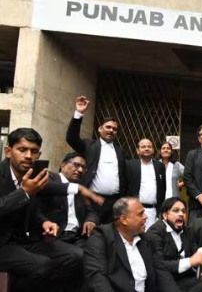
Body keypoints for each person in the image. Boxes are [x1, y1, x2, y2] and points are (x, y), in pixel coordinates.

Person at [0, 128, 84, 292]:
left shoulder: (32, 175)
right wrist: (23, 193)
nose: (29, 156)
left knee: (75, 256)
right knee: (41, 265)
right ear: (8, 151)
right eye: (22, 150)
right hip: (1, 243)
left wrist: (44, 222)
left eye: (34, 151)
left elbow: (30, 211)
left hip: (22, 241)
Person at [84, 197, 181, 292]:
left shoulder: (147, 239)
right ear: (124, 220)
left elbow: (162, 273)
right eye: (140, 214)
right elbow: (96, 276)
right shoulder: (101, 237)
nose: (145, 217)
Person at [66, 95, 127, 224]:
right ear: (100, 129)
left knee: (111, 236)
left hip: (114, 203)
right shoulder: (89, 146)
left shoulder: (120, 151)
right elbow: (71, 138)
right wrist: (79, 113)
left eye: (114, 129)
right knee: (91, 233)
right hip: (92, 201)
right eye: (108, 127)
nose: (111, 130)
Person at [147, 197, 202, 292]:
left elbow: (199, 258)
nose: (181, 214)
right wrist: (189, 262)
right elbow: (159, 265)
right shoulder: (156, 232)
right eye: (176, 211)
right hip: (164, 282)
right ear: (165, 215)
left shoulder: (187, 231)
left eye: (184, 211)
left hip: (183, 280)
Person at [36, 152, 99, 247]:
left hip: (78, 236)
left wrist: (90, 220)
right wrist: (76, 188)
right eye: (76, 165)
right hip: (55, 235)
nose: (80, 170)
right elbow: (46, 188)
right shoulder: (50, 178)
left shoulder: (82, 188)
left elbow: (91, 211)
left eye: (83, 167)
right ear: (63, 165)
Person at [126, 139, 166, 229]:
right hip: (135, 209)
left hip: (153, 211)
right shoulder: (130, 165)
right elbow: (125, 187)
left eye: (149, 146)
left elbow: (163, 188)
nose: (146, 148)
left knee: (151, 237)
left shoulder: (160, 166)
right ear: (138, 151)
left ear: (153, 150)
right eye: (143, 147)